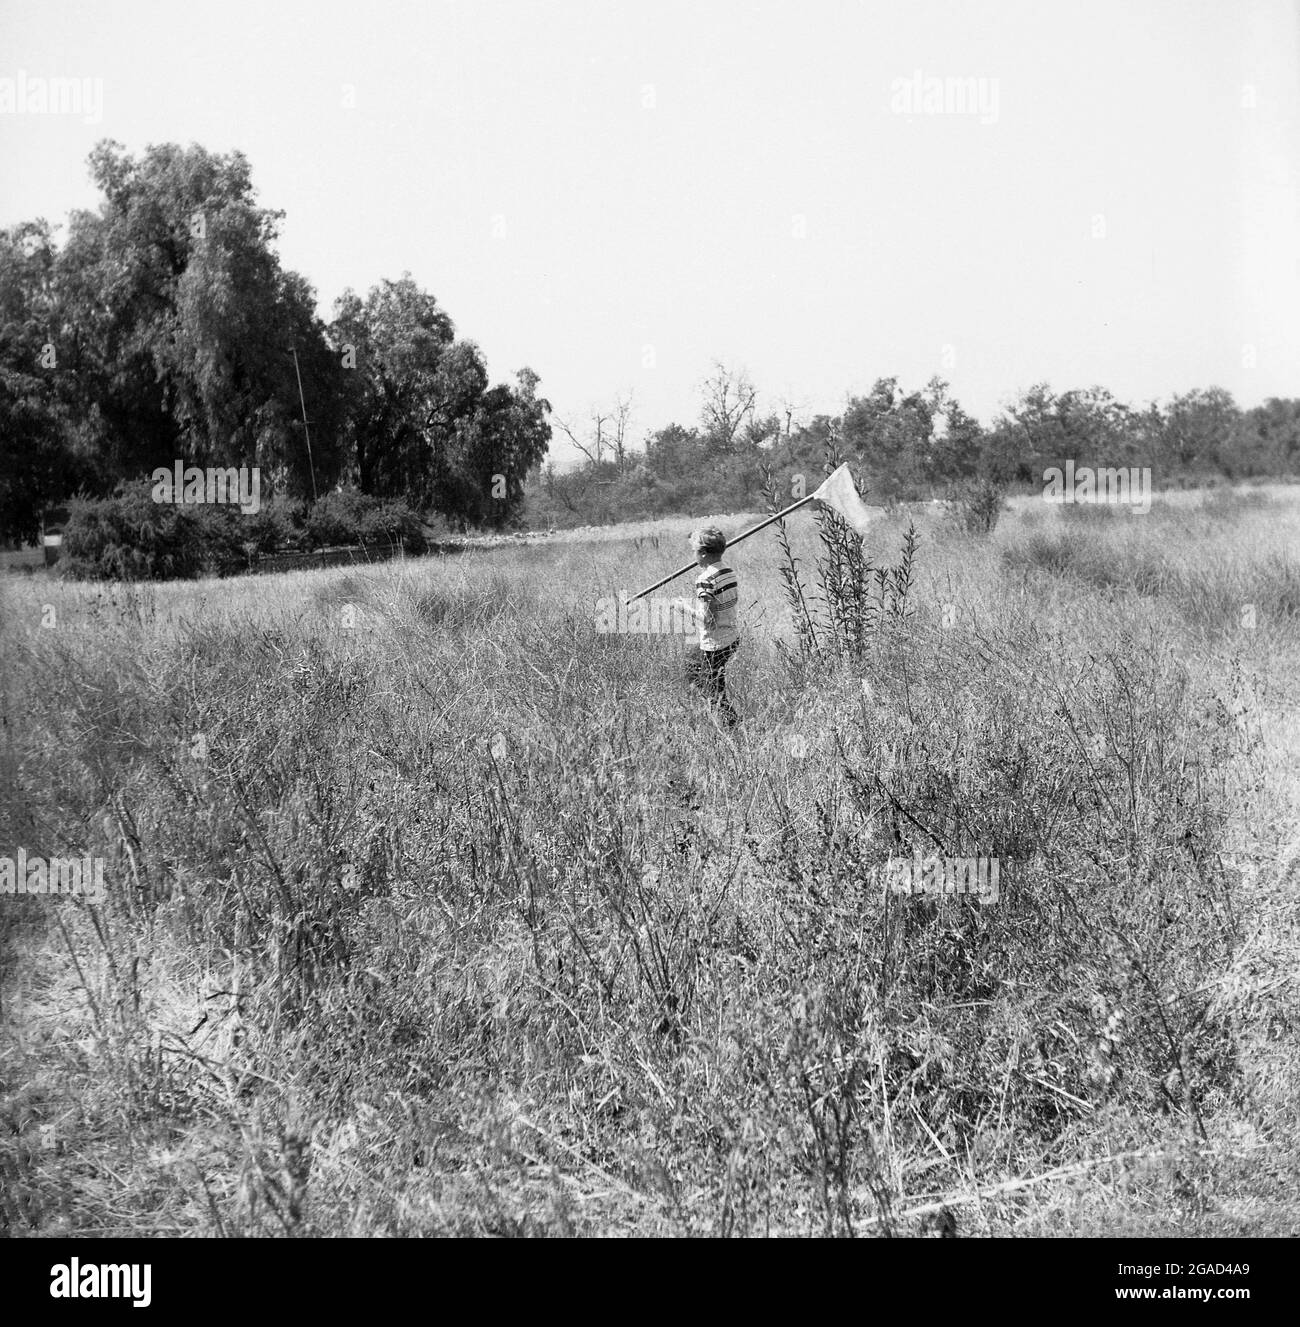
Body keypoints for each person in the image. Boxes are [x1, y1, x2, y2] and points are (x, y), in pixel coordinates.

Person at [685, 526, 740, 727]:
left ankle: (732, 725)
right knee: (693, 668)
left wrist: (684, 609)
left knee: (711, 689)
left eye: (694, 551)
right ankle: (719, 718)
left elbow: (708, 620)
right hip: (731, 638)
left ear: (703, 553)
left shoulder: (705, 580)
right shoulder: (728, 572)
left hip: (715, 643)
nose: (693, 556)